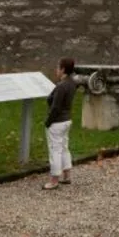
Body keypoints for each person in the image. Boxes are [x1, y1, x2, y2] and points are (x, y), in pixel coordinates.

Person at [43, 57, 77, 190]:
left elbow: (55, 107)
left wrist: (48, 122)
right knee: (63, 147)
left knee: (55, 150)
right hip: (67, 120)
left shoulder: (61, 86)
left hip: (57, 122)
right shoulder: (72, 83)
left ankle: (54, 180)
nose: (56, 70)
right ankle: (67, 175)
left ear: (63, 69)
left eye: (58, 67)